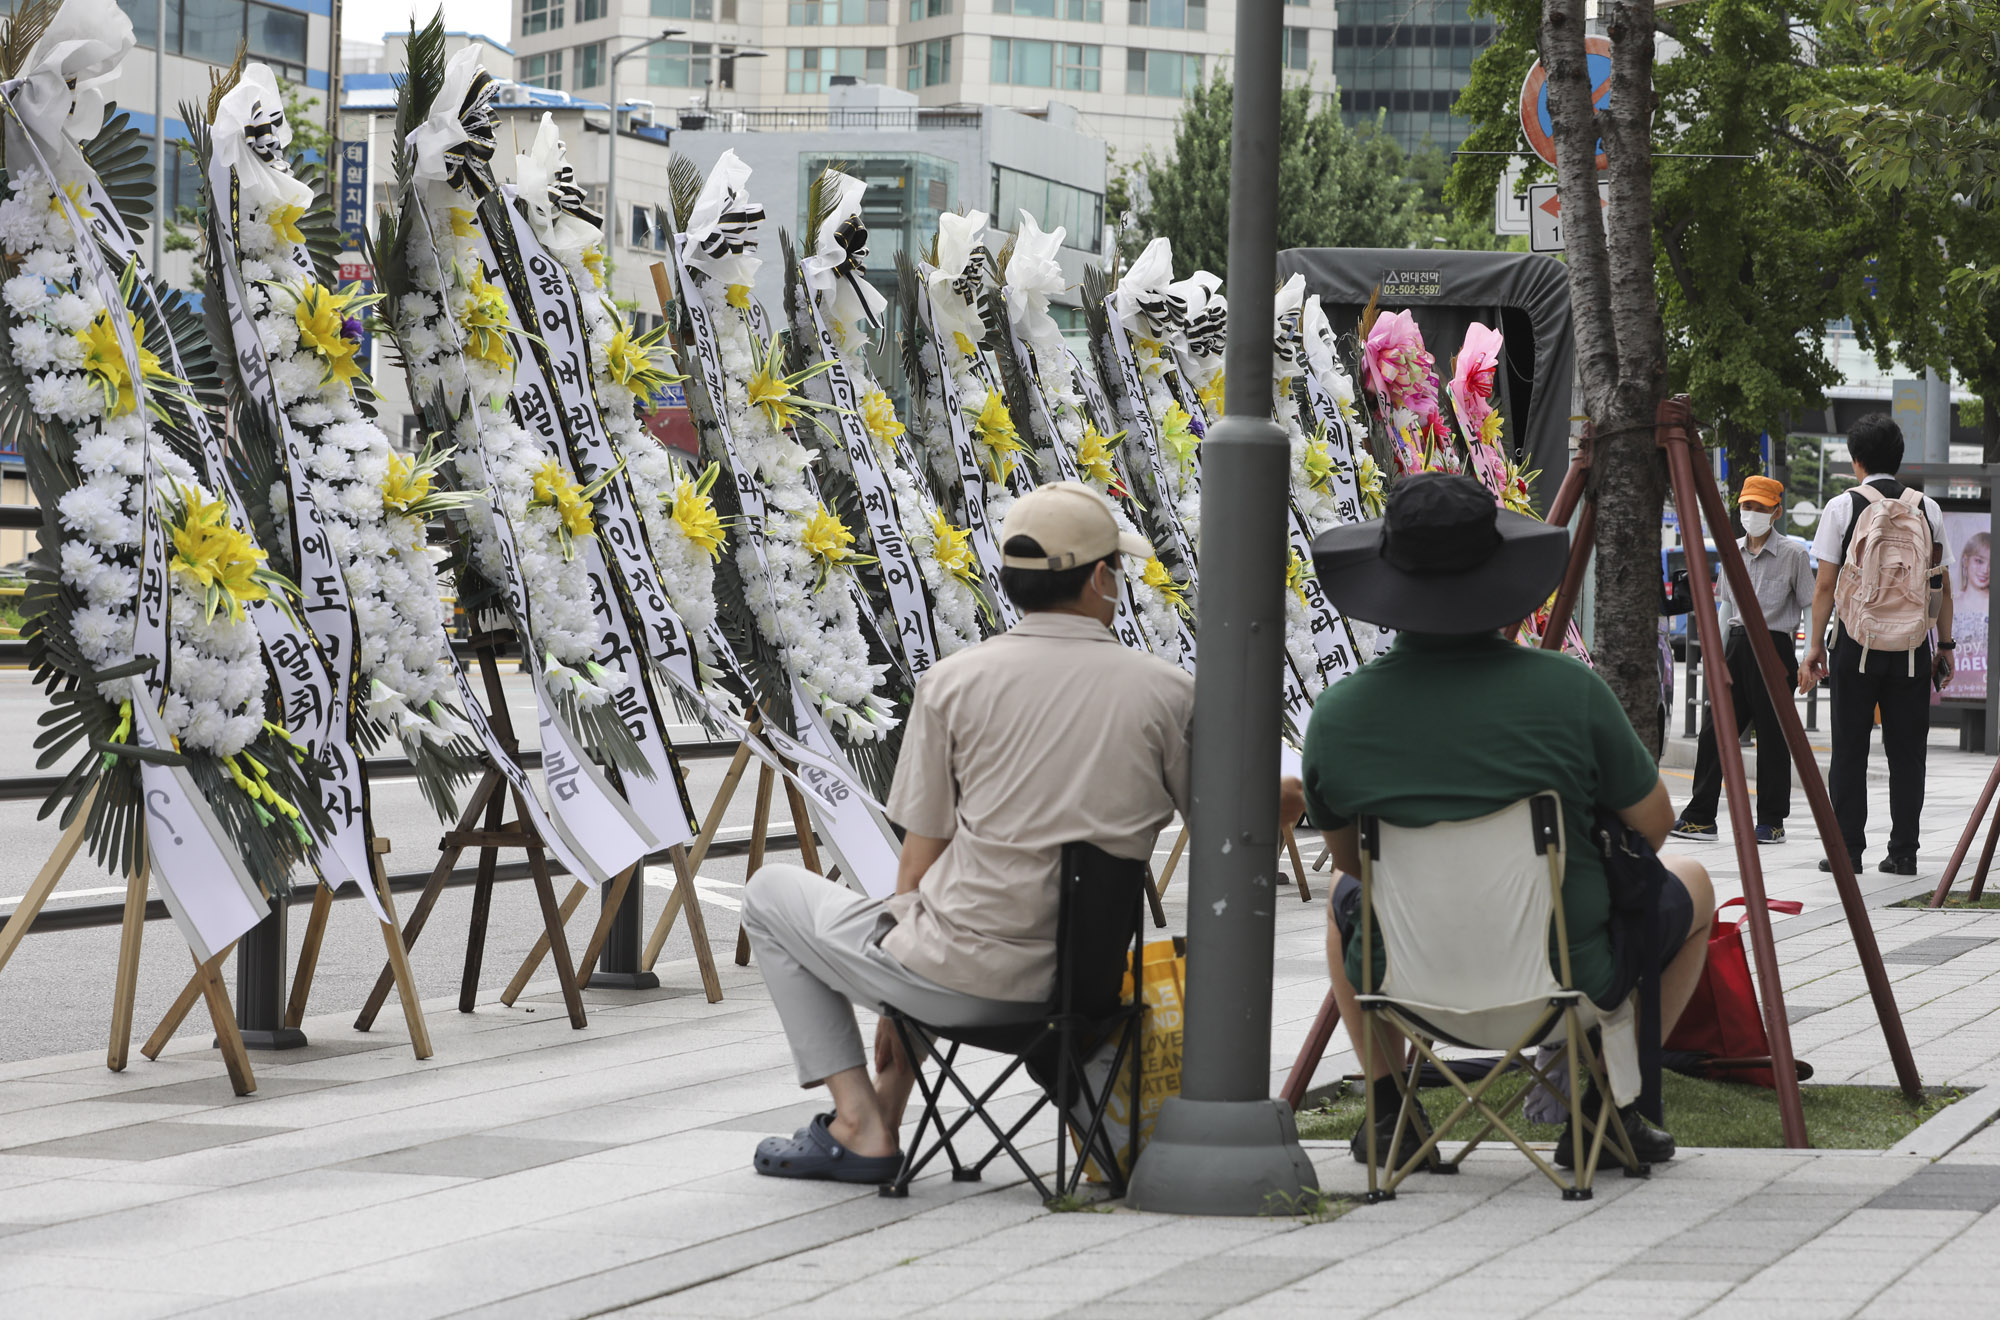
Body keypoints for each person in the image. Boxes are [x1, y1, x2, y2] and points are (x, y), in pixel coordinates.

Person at [740, 481, 1193, 1183]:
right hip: (1084, 987)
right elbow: (1220, 821)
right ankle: (880, 1117)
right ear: (1102, 578)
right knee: (937, 918)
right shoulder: (1167, 692)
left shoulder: (954, 683)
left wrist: (896, 991)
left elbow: (920, 858)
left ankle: (859, 1120)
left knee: (771, 895)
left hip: (953, 982)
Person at [1300, 473, 1713, 1169]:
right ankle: (1605, 1112)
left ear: (1389, 578)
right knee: (1694, 885)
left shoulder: (1339, 715)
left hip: (1404, 985)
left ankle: (1387, 1107)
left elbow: (1349, 860)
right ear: (1499, 575)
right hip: (1567, 980)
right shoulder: (1570, 692)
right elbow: (1653, 824)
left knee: (1345, 906)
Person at [1799, 414, 1954, 877]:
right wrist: (1943, 645)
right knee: (1908, 751)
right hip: (1910, 647)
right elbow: (1941, 585)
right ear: (1899, 458)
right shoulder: (1927, 509)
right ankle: (1903, 851)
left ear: (1856, 459)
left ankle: (1847, 851)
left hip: (1856, 643)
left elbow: (1825, 585)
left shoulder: (1842, 507)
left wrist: (1814, 648)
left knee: (1849, 747)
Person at [1670, 474, 1816, 845]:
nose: (1752, 514)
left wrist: (1807, 657)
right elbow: (1725, 606)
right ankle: (1700, 817)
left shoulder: (1794, 554)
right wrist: (1714, 657)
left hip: (1775, 647)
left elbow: (1810, 607)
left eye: (1761, 508)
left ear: (1777, 511)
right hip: (1736, 644)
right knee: (1713, 730)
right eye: (1747, 507)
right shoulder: (1731, 550)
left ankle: (1771, 821)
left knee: (1773, 737)